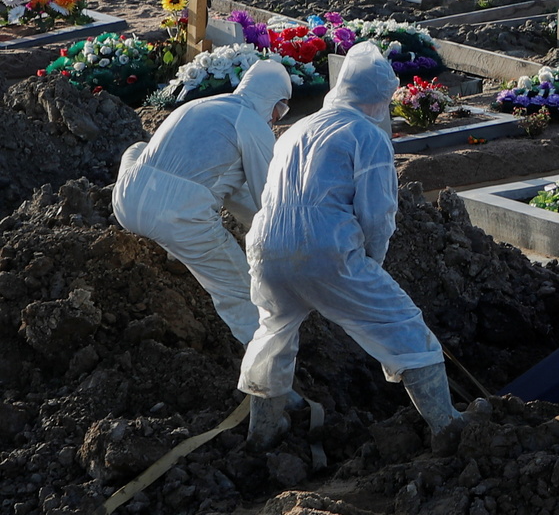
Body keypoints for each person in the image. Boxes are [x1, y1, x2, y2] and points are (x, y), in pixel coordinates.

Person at [238, 42, 461, 451]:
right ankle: (448, 427)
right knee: (405, 328)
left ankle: (261, 436)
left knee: (273, 338)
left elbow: (270, 195)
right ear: (378, 98)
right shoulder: (367, 135)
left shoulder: (296, 130)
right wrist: (371, 262)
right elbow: (377, 213)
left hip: (267, 250)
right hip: (327, 251)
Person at [113, 59, 293, 345]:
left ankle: (174, 252)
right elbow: (270, 196)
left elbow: (237, 190)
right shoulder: (251, 124)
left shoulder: (199, 105)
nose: (276, 118)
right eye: (280, 109)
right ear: (272, 99)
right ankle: (268, 369)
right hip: (179, 219)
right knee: (243, 294)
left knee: (139, 149)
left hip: (126, 200)